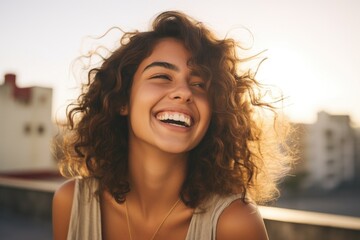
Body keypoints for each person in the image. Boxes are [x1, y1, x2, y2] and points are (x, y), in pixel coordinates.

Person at [52, 10, 291, 240]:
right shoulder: (71, 203)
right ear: (122, 100)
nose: (184, 92)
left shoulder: (235, 223)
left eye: (199, 84)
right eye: (162, 77)